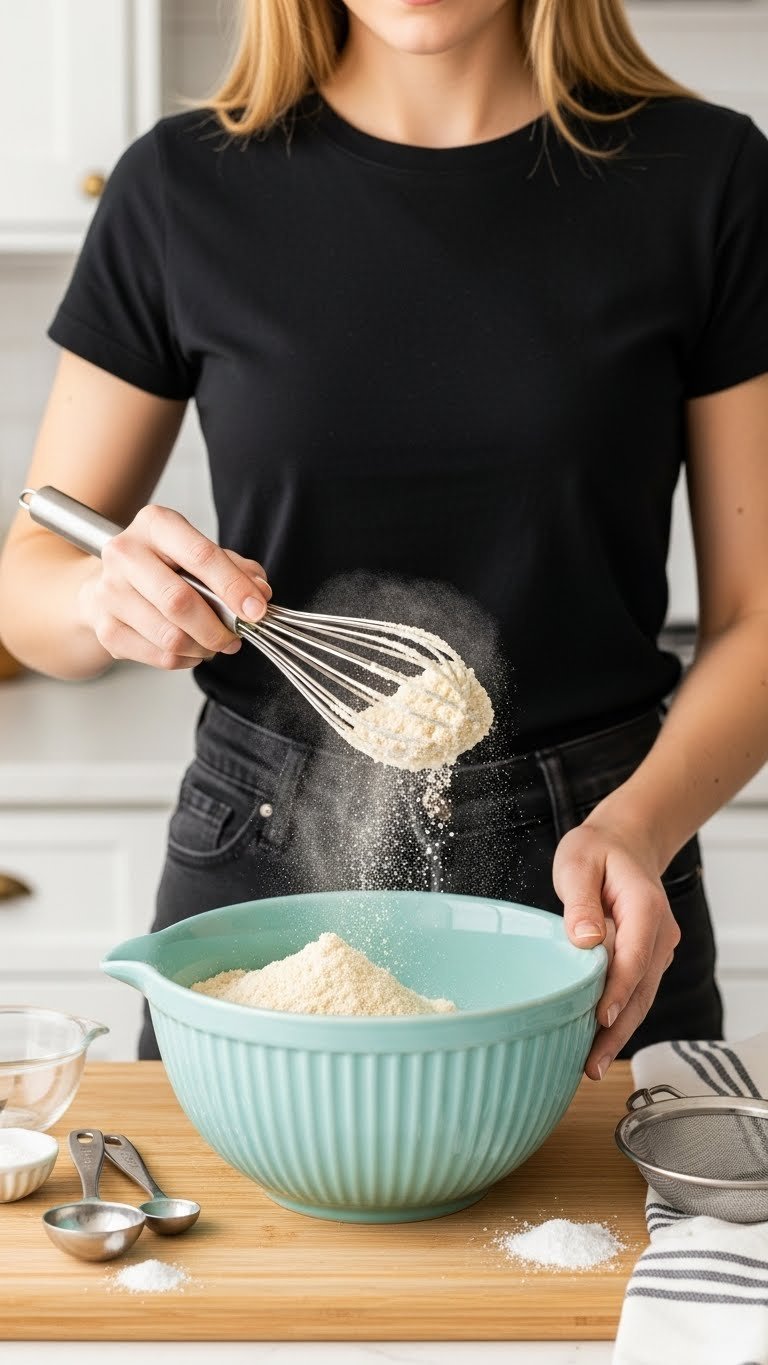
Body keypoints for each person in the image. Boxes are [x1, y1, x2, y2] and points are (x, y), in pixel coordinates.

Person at [1, 0, 767, 1076]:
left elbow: (757, 619)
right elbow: (27, 579)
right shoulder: (181, 187)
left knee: (648, 1246)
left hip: (599, 870)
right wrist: (99, 601)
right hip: (265, 856)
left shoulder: (707, 176)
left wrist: (638, 828)